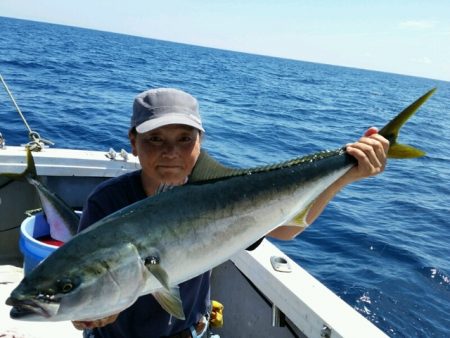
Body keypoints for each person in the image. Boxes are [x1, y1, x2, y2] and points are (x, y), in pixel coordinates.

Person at [72, 88, 389, 337]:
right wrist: (87, 314)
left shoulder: (226, 195)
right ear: (133, 141)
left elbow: (286, 229)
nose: (171, 152)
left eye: (185, 139)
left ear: (201, 141)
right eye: (155, 139)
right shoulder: (107, 202)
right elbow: (81, 289)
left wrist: (346, 175)